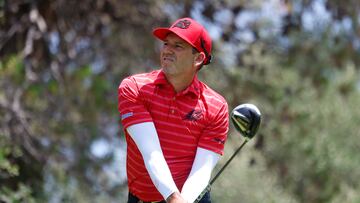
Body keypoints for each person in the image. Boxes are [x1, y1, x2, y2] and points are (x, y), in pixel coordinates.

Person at [118, 17, 229, 203]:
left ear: (199, 58)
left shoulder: (216, 107)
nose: (167, 50)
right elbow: (151, 152)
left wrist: (182, 200)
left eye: (178, 46)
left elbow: (201, 171)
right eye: (166, 44)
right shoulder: (135, 88)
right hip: (145, 199)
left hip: (191, 197)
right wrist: (173, 197)